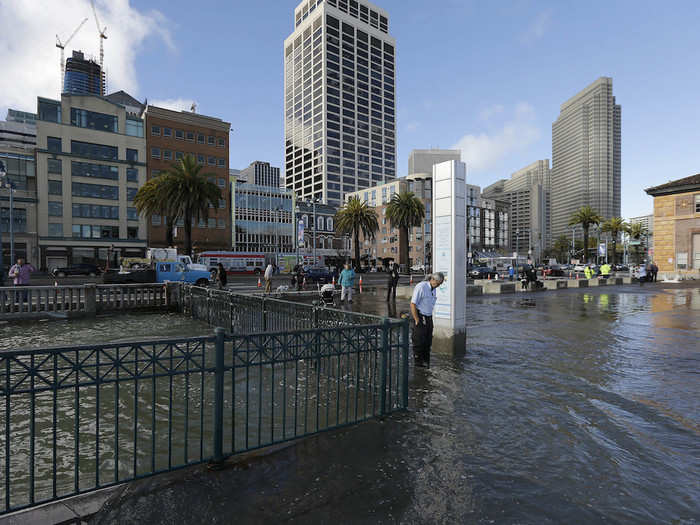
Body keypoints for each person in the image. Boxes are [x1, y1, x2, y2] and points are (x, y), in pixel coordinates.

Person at [410, 272, 444, 367]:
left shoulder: (434, 289)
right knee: (419, 341)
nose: (438, 286)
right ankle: (418, 364)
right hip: (420, 315)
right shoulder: (421, 287)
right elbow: (413, 304)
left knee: (428, 341)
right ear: (432, 280)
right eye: (437, 283)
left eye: (440, 284)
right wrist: (417, 319)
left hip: (428, 317)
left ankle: (426, 362)